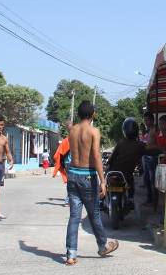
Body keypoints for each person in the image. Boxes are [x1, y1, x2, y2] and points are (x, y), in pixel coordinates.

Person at [65, 101, 119, 266]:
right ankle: (103, 246)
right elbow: (95, 156)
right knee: (94, 213)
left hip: (73, 175)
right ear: (93, 114)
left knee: (74, 216)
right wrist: (103, 181)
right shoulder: (94, 131)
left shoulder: (72, 130)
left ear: (79, 114)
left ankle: (71, 254)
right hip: (88, 176)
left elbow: (73, 136)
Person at [107, 118, 159, 207]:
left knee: (107, 183)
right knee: (130, 182)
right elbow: (152, 150)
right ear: (136, 131)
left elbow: (112, 158)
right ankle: (130, 199)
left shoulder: (120, 143)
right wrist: (161, 150)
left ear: (124, 130)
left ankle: (103, 199)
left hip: (114, 172)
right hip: (127, 174)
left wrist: (108, 165)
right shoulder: (140, 145)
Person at [53, 121, 73, 206]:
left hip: (67, 163)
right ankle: (69, 200)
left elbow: (57, 154)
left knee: (71, 181)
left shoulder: (65, 141)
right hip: (73, 163)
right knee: (73, 182)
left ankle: (70, 200)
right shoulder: (75, 139)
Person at [142, 112, 157, 206]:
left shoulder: (155, 129)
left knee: (152, 180)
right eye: (145, 120)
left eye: (147, 120)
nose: (146, 122)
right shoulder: (148, 130)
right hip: (146, 157)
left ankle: (153, 200)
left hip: (152, 158)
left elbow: (154, 144)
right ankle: (150, 199)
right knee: (147, 179)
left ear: (152, 120)